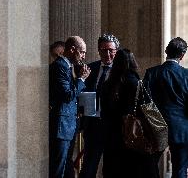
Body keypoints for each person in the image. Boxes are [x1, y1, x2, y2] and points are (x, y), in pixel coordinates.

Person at [101, 48, 163, 178]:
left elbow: (104, 112)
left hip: (113, 138)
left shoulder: (107, 85)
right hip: (135, 137)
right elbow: (150, 111)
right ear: (133, 62)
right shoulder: (138, 84)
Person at [143, 37, 188, 178]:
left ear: (166, 51)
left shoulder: (151, 73)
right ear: (182, 55)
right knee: (180, 169)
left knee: (150, 166)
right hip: (181, 128)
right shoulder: (186, 75)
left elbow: (145, 102)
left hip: (155, 127)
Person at [49, 36, 91, 178]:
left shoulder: (69, 66)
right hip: (62, 125)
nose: (84, 56)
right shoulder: (59, 66)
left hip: (70, 125)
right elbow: (67, 95)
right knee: (59, 167)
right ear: (72, 49)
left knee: (67, 164)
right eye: (82, 52)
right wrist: (81, 79)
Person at [79, 33, 120, 178]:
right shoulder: (90, 69)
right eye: (103, 50)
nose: (107, 54)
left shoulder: (122, 72)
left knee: (112, 168)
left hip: (114, 127)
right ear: (98, 50)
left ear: (116, 51)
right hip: (93, 125)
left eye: (110, 50)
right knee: (89, 167)